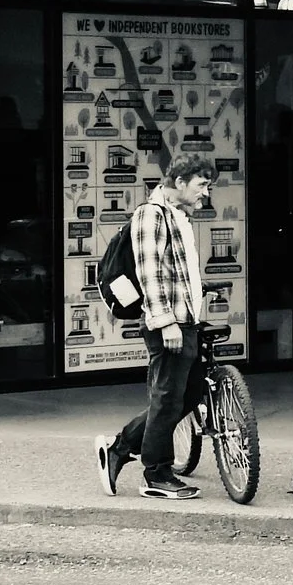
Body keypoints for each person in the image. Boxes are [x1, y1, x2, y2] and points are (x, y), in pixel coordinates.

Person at [95, 154, 216, 501]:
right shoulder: (152, 214)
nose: (205, 193)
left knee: (189, 394)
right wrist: (166, 322)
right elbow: (150, 273)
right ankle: (156, 473)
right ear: (179, 182)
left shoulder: (177, 216)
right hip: (169, 323)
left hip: (185, 320)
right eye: (201, 184)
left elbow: (174, 272)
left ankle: (120, 447)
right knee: (167, 396)